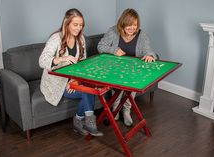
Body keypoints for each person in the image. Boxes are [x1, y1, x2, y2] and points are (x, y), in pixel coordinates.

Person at [39, 8, 103, 136]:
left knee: (90, 88)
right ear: (66, 23)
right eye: (75, 24)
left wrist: (75, 80)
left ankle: (81, 122)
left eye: (81, 25)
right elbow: (42, 61)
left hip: (73, 79)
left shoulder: (81, 39)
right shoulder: (55, 38)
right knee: (88, 92)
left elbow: (81, 64)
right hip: (56, 82)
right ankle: (83, 122)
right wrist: (62, 59)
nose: (78, 28)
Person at [97, 8, 157, 126]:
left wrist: (150, 55)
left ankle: (126, 110)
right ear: (122, 24)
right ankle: (116, 110)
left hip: (133, 70)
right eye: (129, 25)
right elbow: (100, 46)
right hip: (115, 68)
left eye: (134, 25)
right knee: (117, 89)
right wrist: (114, 50)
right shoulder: (113, 31)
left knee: (130, 89)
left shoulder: (142, 35)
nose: (132, 28)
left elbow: (148, 50)